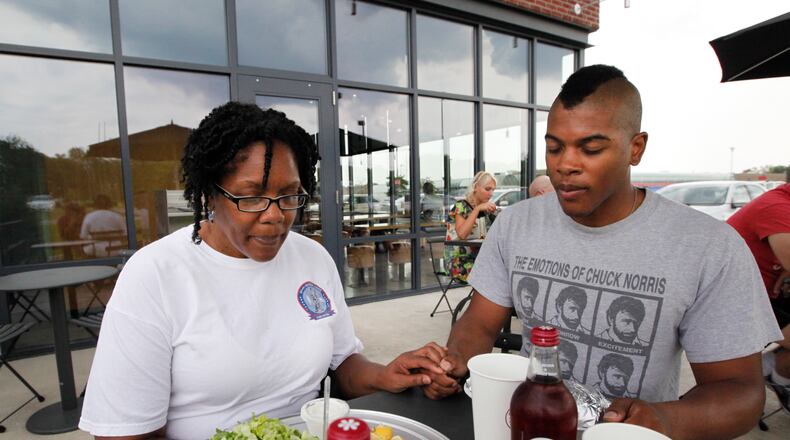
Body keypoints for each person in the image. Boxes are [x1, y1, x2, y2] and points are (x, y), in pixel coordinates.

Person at [422, 65, 781, 439]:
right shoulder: (517, 224)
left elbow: (740, 391)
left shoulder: (708, 247)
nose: (566, 165)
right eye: (554, 147)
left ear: (635, 148)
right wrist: (455, 363)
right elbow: (478, 324)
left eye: (590, 148)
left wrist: (667, 419)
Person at [79, 103, 446, 440]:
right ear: (209, 194)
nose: (275, 215)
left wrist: (385, 374)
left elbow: (343, 363)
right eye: (251, 196)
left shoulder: (312, 259)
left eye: (289, 195)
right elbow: (123, 433)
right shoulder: (154, 275)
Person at [727, 177, 790, 413]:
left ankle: (770, 370)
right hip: (738, 300)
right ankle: (772, 374)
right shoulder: (776, 206)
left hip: (765, 293)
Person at [443, 171, 497, 282]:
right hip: (459, 263)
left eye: (493, 190)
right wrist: (477, 209)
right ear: (476, 187)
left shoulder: (485, 210)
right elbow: (462, 234)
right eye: (488, 189)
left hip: (478, 258)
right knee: (498, 274)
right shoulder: (461, 206)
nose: (491, 194)